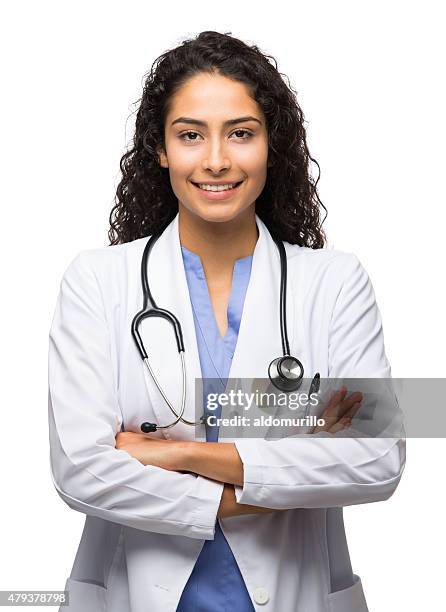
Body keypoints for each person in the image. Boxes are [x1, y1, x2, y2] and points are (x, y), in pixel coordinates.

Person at [48, 30, 406, 612]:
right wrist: (288, 475)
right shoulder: (98, 281)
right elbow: (82, 470)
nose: (216, 160)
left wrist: (178, 454)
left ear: (271, 145)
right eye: (191, 135)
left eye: (241, 133)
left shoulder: (335, 283)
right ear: (160, 149)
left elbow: (377, 457)